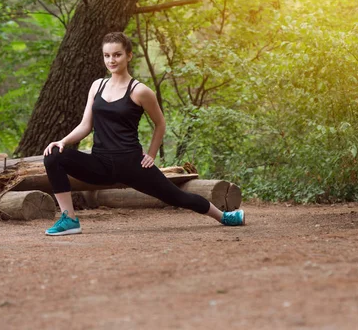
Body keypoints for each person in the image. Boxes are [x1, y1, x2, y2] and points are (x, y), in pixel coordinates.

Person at [42, 32, 245, 236]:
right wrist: (63, 141)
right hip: (100, 164)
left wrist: (151, 155)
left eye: (117, 54)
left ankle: (224, 216)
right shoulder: (97, 86)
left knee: (177, 197)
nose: (111, 60)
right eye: (107, 55)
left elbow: (160, 123)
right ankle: (69, 219)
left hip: (131, 164)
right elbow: (85, 125)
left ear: (129, 56)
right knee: (53, 156)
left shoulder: (140, 91)